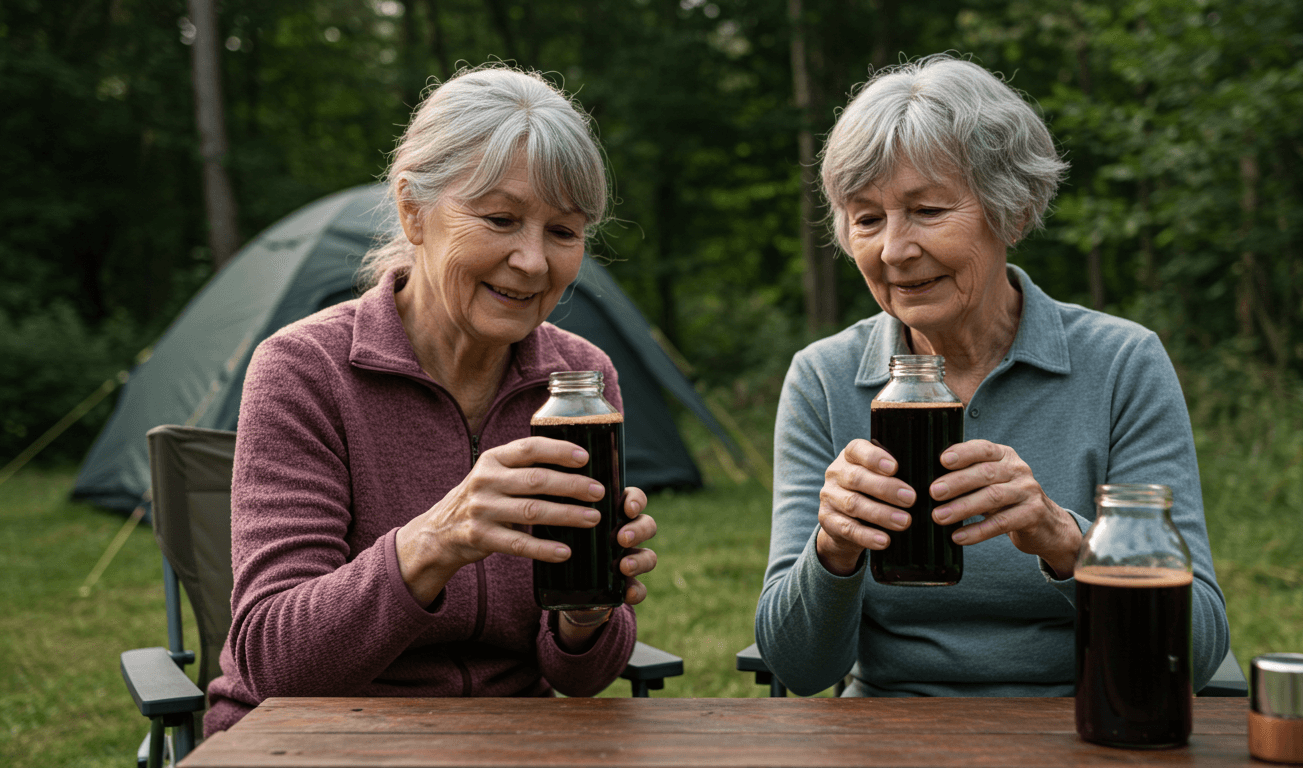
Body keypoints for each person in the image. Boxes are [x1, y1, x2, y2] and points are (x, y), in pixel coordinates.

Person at [754, 54, 1229, 697]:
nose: (894, 249)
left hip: (1085, 722)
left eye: (927, 210)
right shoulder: (823, 378)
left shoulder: (1122, 364)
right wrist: (831, 551)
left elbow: (1196, 652)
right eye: (867, 219)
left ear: (1012, 211)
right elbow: (798, 668)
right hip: (886, 730)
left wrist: (1065, 540)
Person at [204, 65, 658, 735]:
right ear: (413, 211)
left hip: (505, 740)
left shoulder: (579, 383)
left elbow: (581, 680)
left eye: (563, 232)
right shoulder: (304, 370)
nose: (533, 261)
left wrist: (589, 613)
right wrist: (437, 541)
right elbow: (276, 662)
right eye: (500, 219)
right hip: (316, 738)